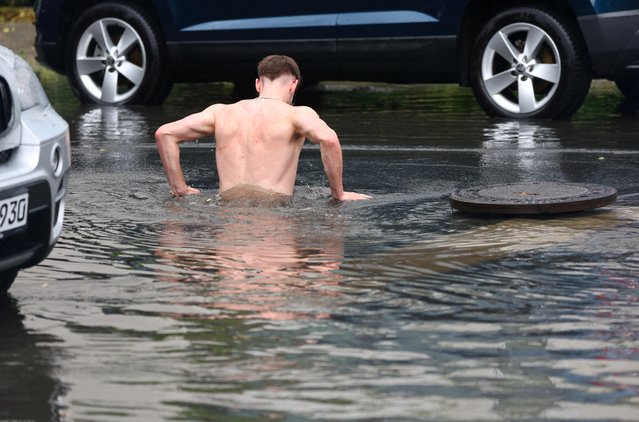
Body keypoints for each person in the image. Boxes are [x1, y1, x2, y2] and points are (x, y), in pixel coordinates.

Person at [155, 55, 371, 202]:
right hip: (274, 212)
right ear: (294, 85)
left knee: (232, 265)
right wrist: (338, 194)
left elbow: (164, 133)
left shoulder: (220, 112)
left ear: (258, 84)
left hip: (227, 212)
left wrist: (180, 189)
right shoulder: (297, 114)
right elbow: (329, 139)